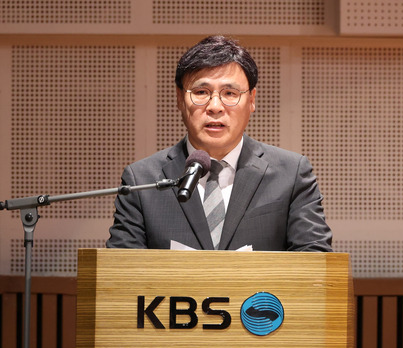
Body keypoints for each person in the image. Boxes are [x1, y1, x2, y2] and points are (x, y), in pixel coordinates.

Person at [107, 35, 332, 252]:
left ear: (252, 100)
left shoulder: (291, 174)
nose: (215, 106)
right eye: (201, 92)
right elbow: (119, 271)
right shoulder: (142, 181)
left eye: (230, 93)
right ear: (179, 99)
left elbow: (316, 260)